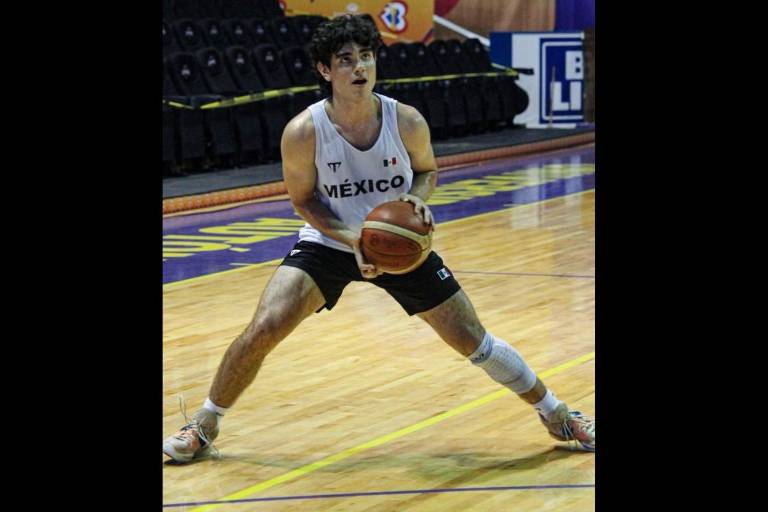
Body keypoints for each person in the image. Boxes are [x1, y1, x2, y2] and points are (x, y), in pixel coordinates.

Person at [163, 14, 595, 463]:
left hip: (399, 244)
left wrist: (416, 198)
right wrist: (352, 238)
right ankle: (205, 424)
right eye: (346, 60)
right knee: (263, 329)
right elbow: (304, 200)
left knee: (472, 338)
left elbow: (427, 170)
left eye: (366, 57)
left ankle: (558, 414)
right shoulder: (303, 132)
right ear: (324, 71)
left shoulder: (405, 120)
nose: (359, 68)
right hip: (331, 242)